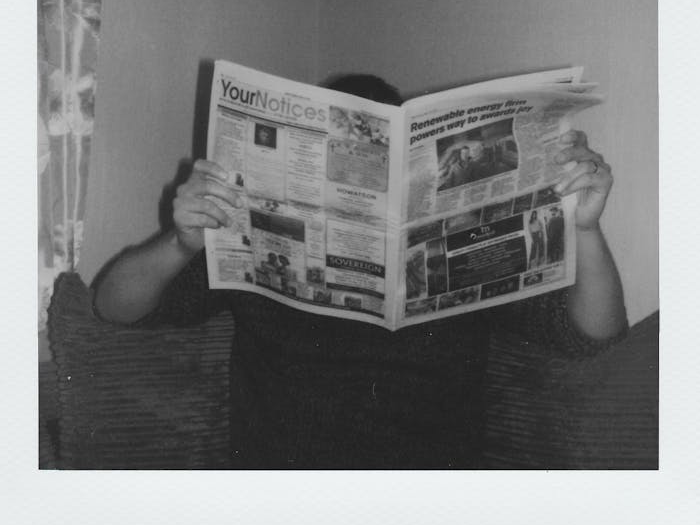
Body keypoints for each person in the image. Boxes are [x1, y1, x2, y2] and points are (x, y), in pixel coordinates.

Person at [93, 75, 627, 469]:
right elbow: (112, 308)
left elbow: (594, 337)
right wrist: (181, 241)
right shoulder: (256, 235)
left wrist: (584, 230)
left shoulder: (464, 247)